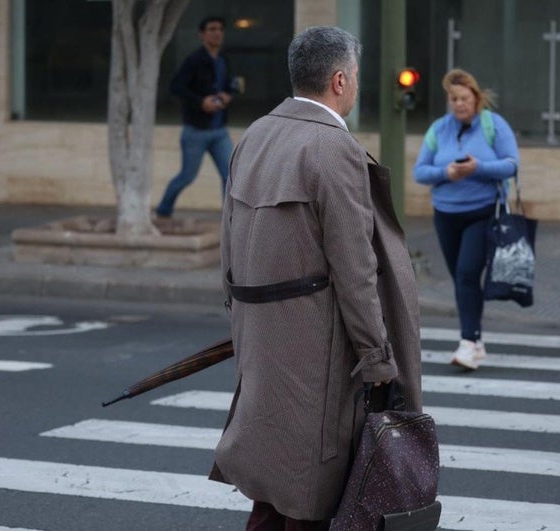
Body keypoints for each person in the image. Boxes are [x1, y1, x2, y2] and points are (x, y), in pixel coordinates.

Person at [210, 26, 423, 530]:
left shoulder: (257, 134)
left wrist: (241, 324)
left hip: (262, 341)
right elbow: (356, 269)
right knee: (312, 496)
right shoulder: (334, 148)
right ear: (340, 79)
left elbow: (228, 244)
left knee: (270, 490)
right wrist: (377, 358)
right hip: (320, 354)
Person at [413, 68, 519, 370]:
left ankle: (468, 343)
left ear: (476, 98)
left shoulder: (493, 125)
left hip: (482, 212)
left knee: (467, 275)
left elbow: (511, 165)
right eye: (454, 99)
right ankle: (477, 340)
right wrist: (445, 173)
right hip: (446, 214)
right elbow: (420, 172)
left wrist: (479, 168)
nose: (459, 104)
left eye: (464, 98)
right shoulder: (439, 129)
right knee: (462, 279)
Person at [155, 16, 235, 218]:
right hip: (196, 131)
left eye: (220, 29)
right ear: (202, 34)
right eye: (212, 29)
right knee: (187, 176)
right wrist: (201, 102)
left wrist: (227, 95)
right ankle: (163, 211)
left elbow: (229, 85)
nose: (217, 33)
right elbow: (176, 87)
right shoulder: (193, 60)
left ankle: (231, 220)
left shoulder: (224, 59)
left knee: (231, 176)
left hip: (219, 131)